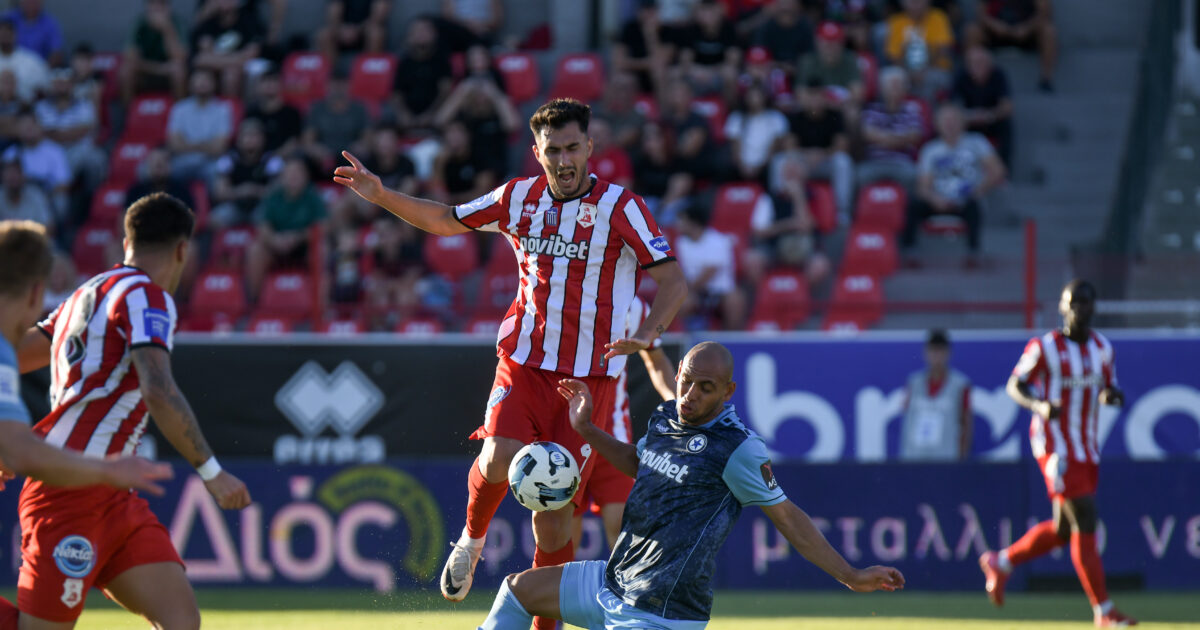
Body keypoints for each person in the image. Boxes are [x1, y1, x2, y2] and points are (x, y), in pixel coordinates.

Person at [333, 99, 688, 630]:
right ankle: (471, 541)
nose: (563, 160)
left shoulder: (622, 208)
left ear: (589, 147)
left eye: (572, 148)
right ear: (537, 153)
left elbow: (673, 280)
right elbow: (446, 219)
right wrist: (382, 195)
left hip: (587, 383)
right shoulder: (517, 197)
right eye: (553, 150)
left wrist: (648, 333)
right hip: (523, 361)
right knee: (499, 454)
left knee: (554, 521)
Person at [477, 341, 905, 629]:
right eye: (686, 381)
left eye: (706, 388)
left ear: (728, 391)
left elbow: (789, 518)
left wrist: (850, 575)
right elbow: (640, 463)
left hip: (660, 612)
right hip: (612, 582)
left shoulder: (738, 448)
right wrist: (586, 429)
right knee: (516, 592)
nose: (690, 394)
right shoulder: (666, 417)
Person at [8, 194, 251, 628]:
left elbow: (19, 353)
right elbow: (159, 389)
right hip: (67, 490)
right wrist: (212, 472)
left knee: (181, 620)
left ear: (126, 243)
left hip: (114, 492)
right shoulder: (149, 296)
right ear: (183, 250)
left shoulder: (86, 292)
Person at [0, 220, 175, 629]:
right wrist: (108, 469)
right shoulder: (5, 352)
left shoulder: (9, 351)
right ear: (36, 294)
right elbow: (22, 453)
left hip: (100, 501)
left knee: (180, 617)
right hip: (69, 496)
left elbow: (15, 448)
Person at [980, 280, 1138, 628]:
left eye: (1085, 301)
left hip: (1086, 447)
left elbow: (1108, 387)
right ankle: (1104, 610)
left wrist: (1111, 396)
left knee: (1063, 530)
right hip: (1054, 446)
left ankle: (1001, 561)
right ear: (1063, 307)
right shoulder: (1045, 347)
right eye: (1073, 301)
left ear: (1093, 307)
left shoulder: (1102, 348)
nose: (1079, 307)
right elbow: (1015, 384)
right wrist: (1039, 405)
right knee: (1086, 516)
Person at [571, 295, 676, 550]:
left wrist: (677, 404)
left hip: (612, 431)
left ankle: (625, 580)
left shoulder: (633, 306)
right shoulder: (563, 295)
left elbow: (656, 360)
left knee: (624, 528)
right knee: (561, 535)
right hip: (564, 429)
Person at [903, 103, 1005, 267]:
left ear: (962, 122)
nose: (949, 124)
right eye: (945, 120)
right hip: (938, 200)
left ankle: (973, 253)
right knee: (913, 204)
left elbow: (998, 171)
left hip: (968, 198)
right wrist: (935, 199)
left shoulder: (977, 142)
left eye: (953, 120)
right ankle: (910, 251)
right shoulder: (930, 150)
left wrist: (978, 190)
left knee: (974, 205)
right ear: (937, 124)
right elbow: (923, 187)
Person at [246, 157, 326, 300]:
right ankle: (254, 302)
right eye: (289, 173)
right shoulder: (273, 196)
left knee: (322, 249)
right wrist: (274, 239)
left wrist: (298, 237)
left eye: (297, 172)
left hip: (304, 245)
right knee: (256, 249)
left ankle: (319, 303)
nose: (293, 176)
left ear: (306, 176)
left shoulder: (313, 196)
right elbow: (262, 225)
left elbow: (324, 226)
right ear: (282, 177)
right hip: (277, 245)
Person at [899, 329, 971, 461]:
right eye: (933, 351)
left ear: (948, 353)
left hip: (945, 458)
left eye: (940, 351)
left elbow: (966, 425)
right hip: (915, 458)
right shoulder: (913, 383)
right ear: (926, 353)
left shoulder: (960, 385)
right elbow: (907, 420)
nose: (937, 356)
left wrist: (961, 459)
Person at [856, 67, 927, 195]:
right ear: (882, 88)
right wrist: (899, 139)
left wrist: (882, 138)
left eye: (898, 85)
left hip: (902, 162)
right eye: (891, 85)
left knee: (913, 176)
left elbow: (915, 136)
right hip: (874, 162)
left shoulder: (912, 109)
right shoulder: (872, 109)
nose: (895, 89)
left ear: (905, 88)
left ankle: (910, 209)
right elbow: (867, 134)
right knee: (859, 176)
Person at [674, 203, 745, 330]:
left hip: (719, 292)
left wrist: (689, 289)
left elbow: (709, 272)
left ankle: (731, 338)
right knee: (681, 302)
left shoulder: (718, 240)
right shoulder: (680, 243)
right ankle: (679, 339)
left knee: (735, 301)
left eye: (682, 220)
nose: (678, 224)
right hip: (694, 291)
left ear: (694, 223)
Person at [966, 0, 1057, 92]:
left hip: (1027, 34)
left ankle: (1046, 79)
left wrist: (1027, 28)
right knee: (972, 31)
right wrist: (994, 25)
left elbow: (1044, 13)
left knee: (1048, 31)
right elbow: (980, 14)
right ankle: (971, 78)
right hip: (995, 33)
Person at [165, 68, 232, 183]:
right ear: (190, 85)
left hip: (210, 162)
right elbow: (174, 145)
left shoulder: (223, 109)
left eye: (206, 80)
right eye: (198, 80)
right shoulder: (179, 108)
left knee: (220, 172)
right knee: (154, 170)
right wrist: (204, 145)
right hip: (183, 161)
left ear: (214, 84)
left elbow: (219, 148)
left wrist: (189, 145)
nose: (202, 83)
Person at [952, 45, 1014, 168]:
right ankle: (956, 166)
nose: (977, 66)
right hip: (967, 121)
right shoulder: (961, 76)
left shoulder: (998, 75)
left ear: (989, 64)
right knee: (950, 123)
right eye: (973, 63)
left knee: (1006, 125)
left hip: (991, 120)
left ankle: (1003, 168)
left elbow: (1007, 107)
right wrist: (969, 116)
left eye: (981, 62)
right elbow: (952, 107)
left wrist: (990, 115)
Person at [884, 0, 954, 103]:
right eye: (912, 2)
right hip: (906, 70)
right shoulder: (896, 21)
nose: (916, 5)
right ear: (903, 3)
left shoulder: (938, 17)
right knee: (892, 77)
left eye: (919, 1)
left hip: (934, 68)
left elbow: (943, 49)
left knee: (933, 78)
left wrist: (924, 70)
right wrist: (910, 72)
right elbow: (894, 56)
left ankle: (926, 110)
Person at [121, 0, 188, 101]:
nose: (157, 8)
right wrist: (160, 69)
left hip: (169, 74)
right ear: (147, 6)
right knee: (126, 71)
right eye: (153, 3)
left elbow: (180, 57)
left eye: (161, 3)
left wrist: (167, 29)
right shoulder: (140, 23)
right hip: (146, 72)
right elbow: (129, 56)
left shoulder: (178, 23)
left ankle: (180, 110)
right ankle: (129, 110)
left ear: (168, 7)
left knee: (179, 71)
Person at [315, 0, 389, 59]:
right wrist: (341, 28)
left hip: (366, 30)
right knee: (324, 35)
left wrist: (357, 30)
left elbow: (377, 17)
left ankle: (369, 71)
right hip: (342, 31)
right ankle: (328, 72)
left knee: (376, 34)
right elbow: (333, 15)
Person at [0, 16, 47, 104]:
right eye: (2, 33)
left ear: (15, 34)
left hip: (25, 109)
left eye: (8, 33)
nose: (4, 37)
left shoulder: (32, 61)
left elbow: (44, 90)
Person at [3, 0, 62, 66]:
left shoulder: (50, 24)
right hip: (8, 64)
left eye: (34, 1)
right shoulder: (8, 18)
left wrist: (44, 70)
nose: (30, 3)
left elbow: (56, 53)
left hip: (39, 67)